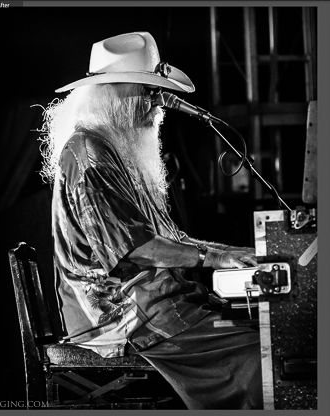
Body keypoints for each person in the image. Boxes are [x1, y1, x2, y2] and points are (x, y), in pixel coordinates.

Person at [40, 32, 262, 409]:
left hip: (156, 307)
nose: (158, 104)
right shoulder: (88, 154)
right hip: (124, 320)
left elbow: (167, 238)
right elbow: (137, 248)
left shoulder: (118, 151)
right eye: (148, 91)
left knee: (273, 337)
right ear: (112, 94)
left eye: (158, 92)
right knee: (261, 358)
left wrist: (234, 252)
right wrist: (215, 259)